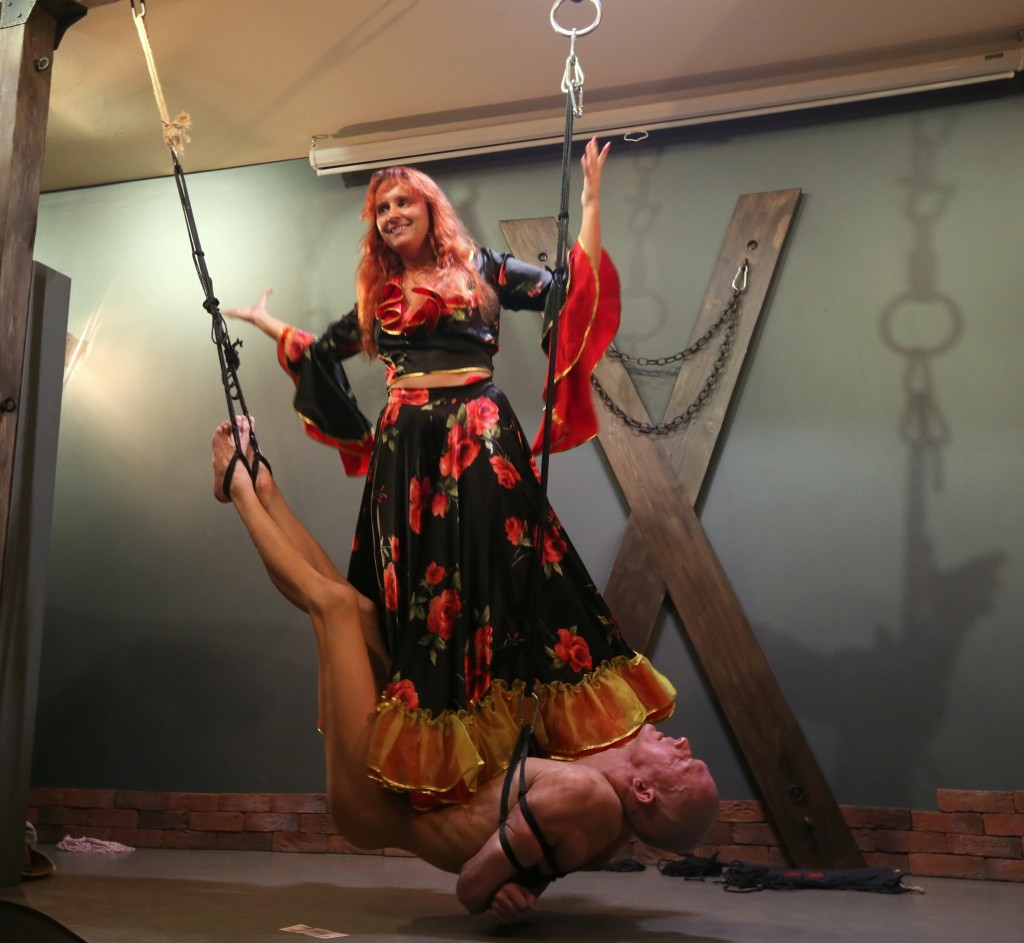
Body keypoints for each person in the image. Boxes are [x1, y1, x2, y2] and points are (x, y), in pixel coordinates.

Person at [224, 139, 677, 808]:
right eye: (381, 209)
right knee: (418, 585)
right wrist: (266, 322)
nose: (391, 215)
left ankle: (514, 724)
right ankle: (437, 736)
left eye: (401, 202)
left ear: (430, 208)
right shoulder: (378, 296)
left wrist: (590, 202)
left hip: (478, 434)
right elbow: (320, 352)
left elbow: (569, 290)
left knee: (504, 565)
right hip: (405, 452)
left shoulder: (482, 268)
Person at [212, 418, 719, 925]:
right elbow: (537, 847)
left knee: (335, 608)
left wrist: (497, 889)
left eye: (684, 765)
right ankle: (263, 485)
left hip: (378, 800)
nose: (683, 745)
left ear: (645, 791)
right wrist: (519, 887)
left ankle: (237, 486)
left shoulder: (591, 799)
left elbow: (471, 886)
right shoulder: (605, 829)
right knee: (358, 610)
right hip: (403, 786)